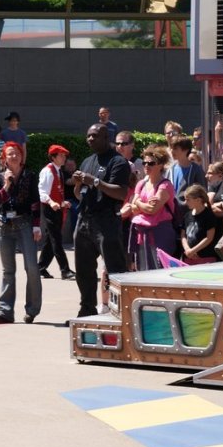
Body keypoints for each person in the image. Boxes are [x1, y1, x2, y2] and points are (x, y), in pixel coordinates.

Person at [71, 124, 131, 320]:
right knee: (84, 270)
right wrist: (80, 184)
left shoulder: (118, 161)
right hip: (85, 219)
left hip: (106, 221)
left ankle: (121, 313)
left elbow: (121, 192)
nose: (90, 139)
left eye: (94, 136)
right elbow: (79, 194)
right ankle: (86, 309)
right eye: (88, 136)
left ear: (106, 137)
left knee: (115, 269)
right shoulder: (88, 161)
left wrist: (95, 181)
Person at [0, 142, 42, 324]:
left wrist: (36, 226)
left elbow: (35, 202)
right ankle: (5, 311)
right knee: (8, 271)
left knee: (32, 267)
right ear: (4, 159)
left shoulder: (30, 176)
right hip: (4, 226)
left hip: (25, 223)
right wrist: (6, 185)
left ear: (21, 157)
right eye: (10, 154)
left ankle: (32, 310)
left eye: (17, 153)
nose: (14, 156)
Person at [127, 145, 176, 271]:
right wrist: (141, 204)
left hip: (161, 233)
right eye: (144, 163)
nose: (146, 166)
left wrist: (137, 202)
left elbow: (152, 210)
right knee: (142, 269)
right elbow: (133, 208)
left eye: (151, 163)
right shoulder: (141, 183)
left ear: (160, 165)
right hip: (141, 234)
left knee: (160, 270)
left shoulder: (165, 185)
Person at [37, 145, 74, 280]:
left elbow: (57, 191)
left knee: (50, 240)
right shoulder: (47, 171)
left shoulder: (58, 171)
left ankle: (40, 268)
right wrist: (51, 202)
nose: (64, 158)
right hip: (50, 209)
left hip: (57, 209)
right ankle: (65, 270)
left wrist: (62, 202)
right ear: (53, 157)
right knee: (56, 240)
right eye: (61, 155)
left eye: (64, 155)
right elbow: (42, 191)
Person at [180, 185, 216, 265]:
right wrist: (188, 250)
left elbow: (209, 237)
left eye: (188, 200)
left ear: (198, 200)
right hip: (188, 257)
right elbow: (183, 236)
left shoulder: (208, 215)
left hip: (205, 257)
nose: (185, 202)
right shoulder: (187, 215)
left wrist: (193, 251)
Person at [168, 135, 206, 204]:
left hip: (189, 212)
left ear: (186, 150)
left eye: (175, 148)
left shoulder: (196, 170)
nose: (172, 151)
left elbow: (202, 193)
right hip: (171, 211)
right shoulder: (170, 170)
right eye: (171, 148)